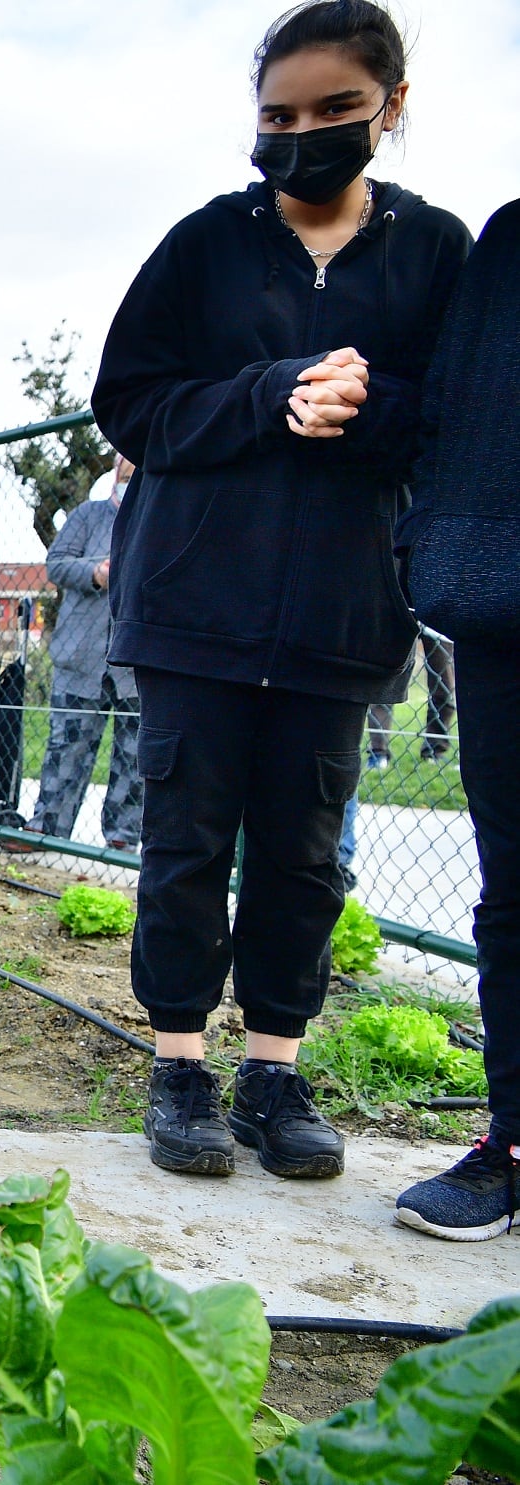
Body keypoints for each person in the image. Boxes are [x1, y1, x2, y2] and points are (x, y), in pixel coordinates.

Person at [91, 0, 470, 1181]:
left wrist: (363, 406)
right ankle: (176, 1067)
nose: (301, 133)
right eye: (277, 115)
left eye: (334, 112)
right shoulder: (203, 244)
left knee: (304, 856)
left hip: (339, 613)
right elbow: (131, 402)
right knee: (184, 841)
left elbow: (451, 420)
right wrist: (268, 391)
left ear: (389, 110)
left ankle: (272, 1069)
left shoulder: (433, 250)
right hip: (194, 607)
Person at [392, 194, 520, 1240]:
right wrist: (426, 544)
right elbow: (447, 413)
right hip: (506, 609)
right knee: (512, 891)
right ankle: (510, 1143)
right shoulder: (509, 241)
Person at [13, 459, 142, 851]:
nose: (129, 461)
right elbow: (57, 564)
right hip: (80, 657)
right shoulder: (88, 515)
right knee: (66, 748)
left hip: (136, 662)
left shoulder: (159, 514)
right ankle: (47, 829)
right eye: (124, 454)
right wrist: (96, 573)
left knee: (135, 758)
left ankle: (123, 839)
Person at [364, 628, 456, 768]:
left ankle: (435, 749)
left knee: (444, 684)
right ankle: (378, 752)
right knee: (384, 681)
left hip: (434, 616)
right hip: (402, 610)